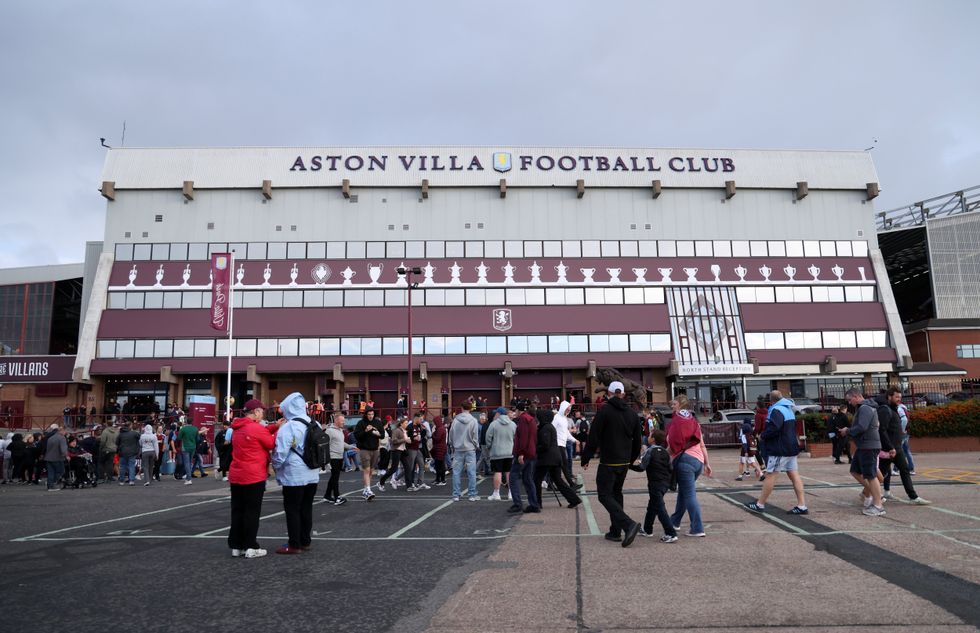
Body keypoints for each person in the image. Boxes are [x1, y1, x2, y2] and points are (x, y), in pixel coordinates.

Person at [581, 381, 643, 547]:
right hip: (623, 462)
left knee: (604, 495)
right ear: (622, 394)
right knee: (616, 494)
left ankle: (627, 524)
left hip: (609, 461)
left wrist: (586, 457)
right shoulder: (632, 413)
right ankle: (615, 531)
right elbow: (638, 440)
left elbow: (593, 437)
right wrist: (631, 459)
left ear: (608, 393)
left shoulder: (604, 411)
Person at [271, 392, 321, 555]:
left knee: (292, 509)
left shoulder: (289, 426)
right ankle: (305, 540)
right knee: (307, 508)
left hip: (294, 474)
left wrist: (275, 466)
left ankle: (294, 544)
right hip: (313, 472)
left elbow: (281, 452)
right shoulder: (315, 424)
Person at [746, 391, 807, 516]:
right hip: (791, 447)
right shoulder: (788, 408)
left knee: (771, 475)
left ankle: (760, 504)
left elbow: (774, 427)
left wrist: (763, 435)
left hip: (780, 449)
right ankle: (802, 505)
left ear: (771, 401)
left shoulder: (776, 410)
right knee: (794, 475)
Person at [228, 399, 275, 559]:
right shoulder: (256, 428)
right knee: (252, 512)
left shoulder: (237, 427)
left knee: (238, 511)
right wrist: (276, 429)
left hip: (236, 474)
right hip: (253, 475)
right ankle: (250, 546)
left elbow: (259, 432)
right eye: (261, 412)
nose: (262, 415)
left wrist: (274, 426)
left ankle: (236, 545)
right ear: (255, 412)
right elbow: (271, 443)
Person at [667, 394, 713, 536]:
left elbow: (672, 443)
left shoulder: (677, 422)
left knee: (689, 495)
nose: (672, 406)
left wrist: (664, 456)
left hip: (684, 461)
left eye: (674, 404)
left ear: (680, 405)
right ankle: (674, 521)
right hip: (697, 461)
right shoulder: (694, 422)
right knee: (684, 493)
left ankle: (697, 528)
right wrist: (707, 463)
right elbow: (702, 445)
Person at [877, 387, 930, 505]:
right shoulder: (885, 410)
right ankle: (868, 493)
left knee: (904, 470)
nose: (899, 399)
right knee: (881, 473)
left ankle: (913, 496)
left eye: (900, 397)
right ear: (889, 397)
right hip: (889, 448)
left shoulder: (895, 409)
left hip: (897, 447)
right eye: (896, 397)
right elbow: (882, 430)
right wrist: (889, 447)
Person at [838, 388, 886, 516]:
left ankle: (878, 505)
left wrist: (847, 430)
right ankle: (871, 495)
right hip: (865, 445)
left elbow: (862, 427)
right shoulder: (867, 407)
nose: (849, 403)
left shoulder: (865, 408)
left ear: (855, 396)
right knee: (855, 470)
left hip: (868, 446)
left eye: (849, 400)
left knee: (870, 475)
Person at [630, 429, 678, 542]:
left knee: (660, 508)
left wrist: (629, 466)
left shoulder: (650, 451)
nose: (648, 437)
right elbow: (671, 468)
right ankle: (647, 529)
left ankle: (671, 533)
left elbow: (642, 467)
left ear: (653, 439)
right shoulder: (666, 452)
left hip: (655, 483)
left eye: (650, 435)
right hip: (664, 483)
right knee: (653, 505)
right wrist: (672, 484)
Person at [533, 409, 581, 508]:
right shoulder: (549, 427)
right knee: (558, 480)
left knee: (537, 480)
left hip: (547, 459)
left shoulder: (546, 428)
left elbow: (545, 445)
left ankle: (537, 503)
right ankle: (574, 499)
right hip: (554, 457)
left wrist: (535, 449)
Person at [507, 398, 539, 514]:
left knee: (513, 478)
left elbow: (523, 438)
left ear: (518, 411)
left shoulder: (522, 420)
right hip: (531, 452)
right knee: (528, 479)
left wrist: (520, 453)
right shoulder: (531, 419)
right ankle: (534, 504)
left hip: (524, 453)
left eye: (515, 410)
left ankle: (517, 504)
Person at [450, 401, 481, 501]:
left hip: (458, 448)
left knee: (456, 472)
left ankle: (456, 494)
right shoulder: (473, 420)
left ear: (461, 408)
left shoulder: (455, 420)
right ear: (471, 408)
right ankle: (472, 494)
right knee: (471, 472)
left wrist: (452, 444)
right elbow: (475, 435)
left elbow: (451, 433)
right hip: (470, 448)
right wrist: (476, 445)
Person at [323, 413, 357, 504]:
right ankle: (337, 497)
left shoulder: (341, 431)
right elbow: (325, 445)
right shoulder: (329, 431)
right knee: (335, 477)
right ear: (336, 420)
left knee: (334, 477)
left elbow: (342, 443)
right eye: (342, 420)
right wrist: (327, 460)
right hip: (333, 457)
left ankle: (327, 495)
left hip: (340, 456)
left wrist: (351, 447)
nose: (344, 422)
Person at [352, 408, 384, 500]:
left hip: (375, 449)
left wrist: (378, 433)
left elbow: (382, 434)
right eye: (369, 414)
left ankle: (366, 489)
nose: (371, 416)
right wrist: (365, 431)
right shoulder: (361, 423)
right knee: (366, 470)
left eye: (372, 414)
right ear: (366, 414)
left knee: (371, 471)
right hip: (364, 449)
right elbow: (357, 436)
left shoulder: (377, 422)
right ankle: (369, 490)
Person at [485, 407, 515, 501]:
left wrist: (490, 447)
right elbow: (516, 437)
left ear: (498, 414)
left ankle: (496, 493)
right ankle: (511, 493)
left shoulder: (493, 424)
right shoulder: (513, 424)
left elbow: (488, 438)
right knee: (509, 472)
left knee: (497, 472)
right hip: (510, 452)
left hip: (497, 452)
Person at [43, 424, 68, 491]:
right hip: (57, 458)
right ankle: (53, 483)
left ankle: (50, 485)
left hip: (48, 457)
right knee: (61, 471)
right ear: (62, 431)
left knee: (51, 472)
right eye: (65, 431)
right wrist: (66, 455)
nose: (66, 433)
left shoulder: (51, 438)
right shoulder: (62, 438)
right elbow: (63, 450)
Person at [897, 399, 916, 474]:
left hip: (903, 432)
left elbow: (904, 420)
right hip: (907, 432)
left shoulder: (899, 409)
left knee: (899, 450)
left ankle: (896, 469)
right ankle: (911, 469)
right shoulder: (904, 408)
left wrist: (902, 429)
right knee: (906, 451)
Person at [178, 420, 199, 485]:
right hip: (193, 447)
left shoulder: (183, 429)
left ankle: (189, 479)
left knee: (187, 463)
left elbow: (179, 438)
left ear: (186, 422)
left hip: (185, 447)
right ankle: (188, 478)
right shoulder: (195, 429)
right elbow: (197, 439)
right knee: (190, 462)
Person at [429, 415, 448, 486]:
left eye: (434, 422)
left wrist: (433, 433)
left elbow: (437, 438)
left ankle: (442, 480)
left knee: (440, 465)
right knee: (438, 465)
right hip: (439, 448)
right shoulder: (440, 428)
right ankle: (438, 479)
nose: (434, 423)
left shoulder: (440, 429)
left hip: (440, 448)